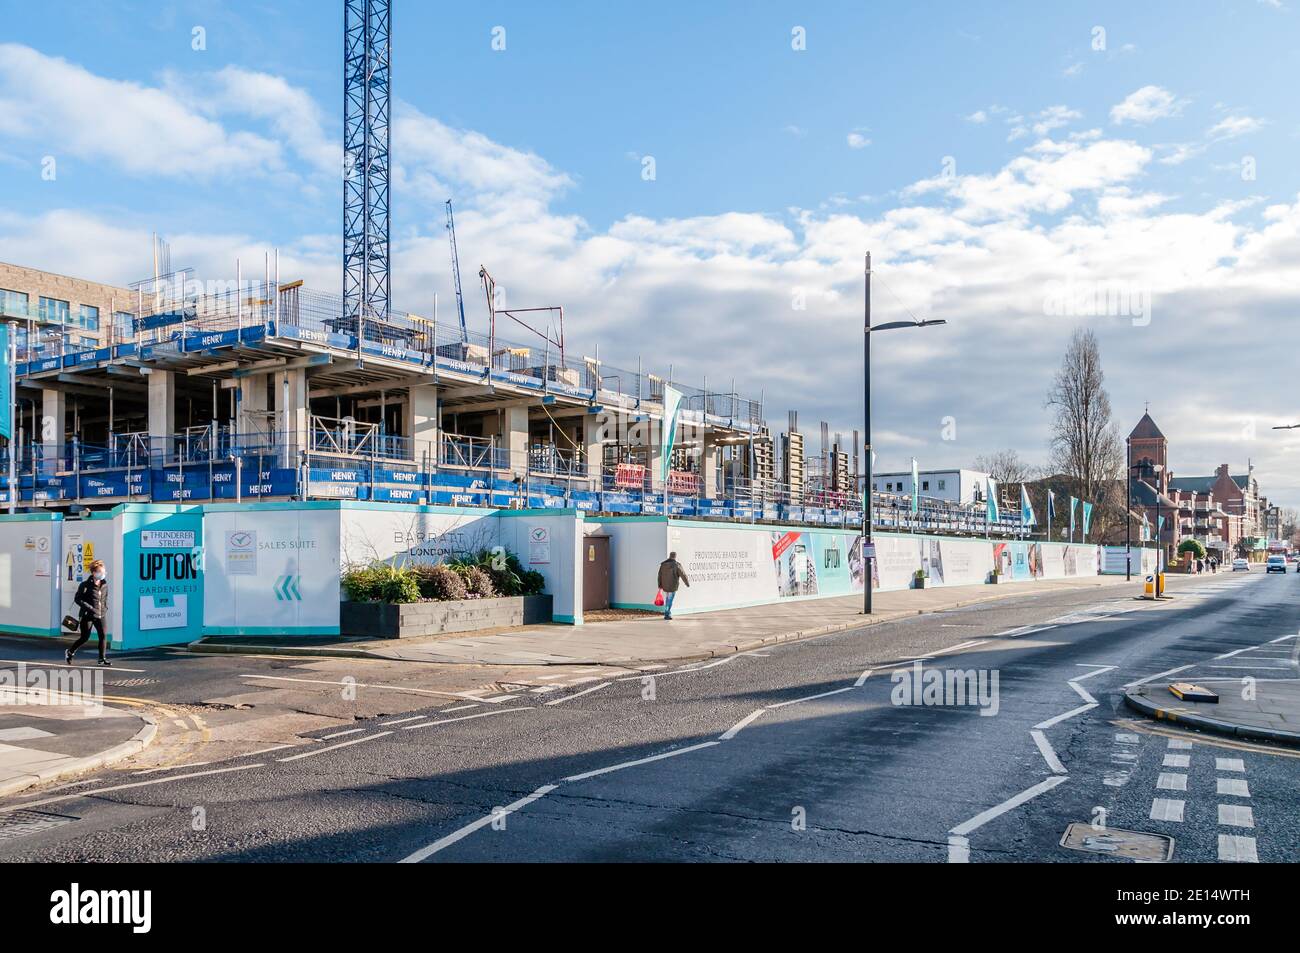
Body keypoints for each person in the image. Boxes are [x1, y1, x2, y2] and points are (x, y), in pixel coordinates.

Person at [68, 559, 110, 667]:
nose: (103, 574)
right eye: (100, 572)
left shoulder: (104, 585)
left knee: (103, 635)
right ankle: (70, 651)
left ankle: (102, 659)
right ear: (94, 573)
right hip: (88, 615)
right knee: (85, 637)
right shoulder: (85, 585)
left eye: (103, 572)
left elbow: (104, 599)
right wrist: (90, 608)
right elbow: (78, 599)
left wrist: (105, 608)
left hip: (101, 614)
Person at [657, 551, 690, 621]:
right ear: (675, 557)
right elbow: (683, 574)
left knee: (668, 599)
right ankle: (667, 613)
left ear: (670, 556)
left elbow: (659, 575)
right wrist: (687, 583)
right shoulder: (677, 565)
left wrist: (660, 585)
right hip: (672, 586)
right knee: (670, 600)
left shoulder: (663, 565)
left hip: (665, 585)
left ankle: (667, 612)